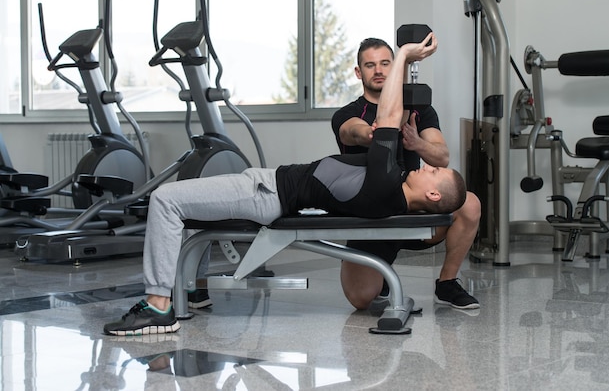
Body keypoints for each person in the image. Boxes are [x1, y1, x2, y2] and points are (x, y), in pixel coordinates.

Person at [104, 32, 467, 336]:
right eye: (372, 65)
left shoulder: (386, 182)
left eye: (433, 174)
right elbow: (367, 127)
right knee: (188, 205)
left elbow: (389, 118)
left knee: (166, 199)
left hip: (265, 192)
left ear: (432, 194)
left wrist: (403, 54)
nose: (426, 168)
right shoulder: (392, 186)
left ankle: (157, 306)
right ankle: (189, 292)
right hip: (267, 187)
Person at [331, 37, 481, 311]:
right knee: (361, 298)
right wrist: (381, 128)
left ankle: (447, 284)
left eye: (385, 63)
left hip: (414, 210)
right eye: (370, 65)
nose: (378, 70)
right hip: (372, 217)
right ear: (358, 72)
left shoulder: (421, 110)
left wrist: (416, 143)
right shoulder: (349, 113)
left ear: (395, 66)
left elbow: (442, 156)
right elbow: (357, 133)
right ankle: (380, 270)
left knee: (468, 203)